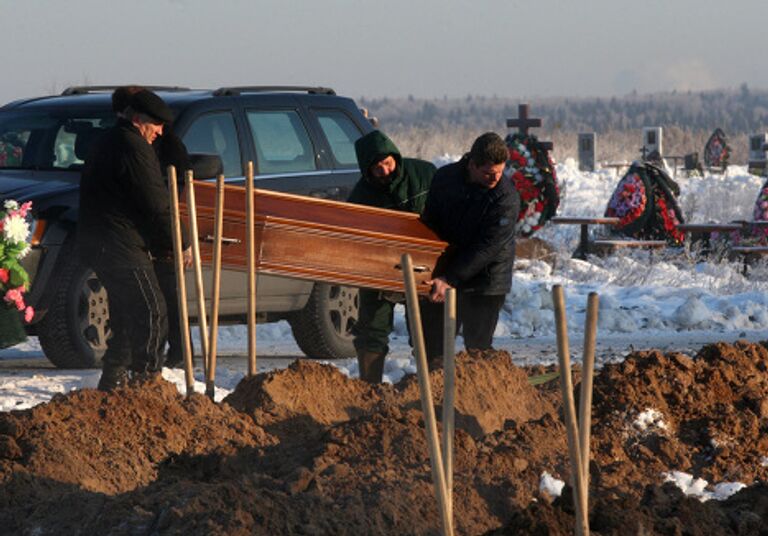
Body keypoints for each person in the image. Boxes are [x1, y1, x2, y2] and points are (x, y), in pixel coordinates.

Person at [78, 89, 190, 391]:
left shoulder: (110, 140)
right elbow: (154, 203)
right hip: (118, 242)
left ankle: (112, 382)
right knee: (151, 310)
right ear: (139, 120)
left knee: (128, 315)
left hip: (102, 240)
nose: (160, 132)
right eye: (157, 125)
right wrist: (181, 242)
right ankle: (146, 382)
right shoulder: (133, 147)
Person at [420, 132, 520, 364]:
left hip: (487, 276)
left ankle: (476, 390)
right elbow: (430, 221)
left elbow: (488, 247)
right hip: (447, 267)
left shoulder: (505, 198)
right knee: (435, 342)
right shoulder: (445, 179)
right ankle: (434, 386)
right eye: (488, 173)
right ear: (472, 164)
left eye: (499, 171)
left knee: (478, 346)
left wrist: (451, 277)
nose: (495, 178)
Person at [111, 86, 192, 369]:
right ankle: (138, 374)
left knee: (165, 297)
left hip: (160, 231)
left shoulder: (162, 142)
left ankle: (178, 354)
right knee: (145, 308)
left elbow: (167, 193)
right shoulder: (126, 143)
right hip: (137, 235)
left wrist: (177, 236)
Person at [347, 130, 436, 382]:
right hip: (381, 267)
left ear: (395, 157)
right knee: (371, 330)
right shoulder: (361, 195)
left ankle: (433, 385)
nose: (384, 171)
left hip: (421, 266)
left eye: (387, 163)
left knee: (426, 329)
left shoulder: (424, 175)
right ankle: (370, 385)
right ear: (367, 169)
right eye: (377, 168)